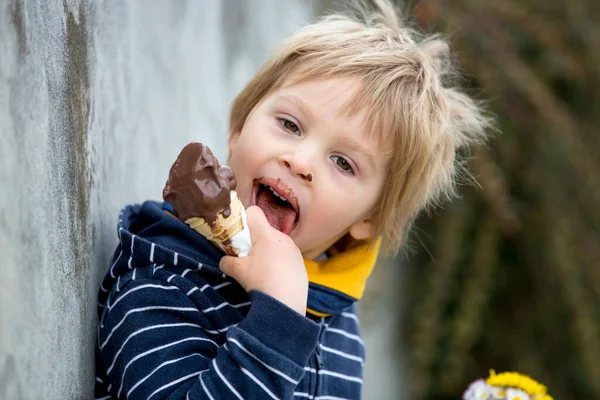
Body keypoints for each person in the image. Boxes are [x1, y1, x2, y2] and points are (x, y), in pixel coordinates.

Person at [94, 0, 490, 398]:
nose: (300, 162)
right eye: (290, 124)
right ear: (239, 129)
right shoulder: (160, 280)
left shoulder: (341, 328)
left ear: (371, 218)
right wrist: (277, 321)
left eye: (342, 162)